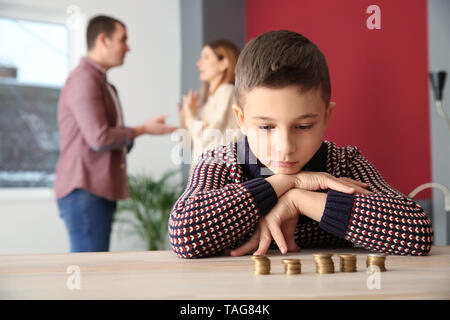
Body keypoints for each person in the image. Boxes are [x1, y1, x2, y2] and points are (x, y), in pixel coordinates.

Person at [169, 30, 434, 258]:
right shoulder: (221, 163)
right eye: (266, 127)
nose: (285, 147)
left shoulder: (343, 162)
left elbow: (416, 232)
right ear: (241, 119)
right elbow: (183, 234)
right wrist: (287, 182)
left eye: (303, 126)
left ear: (326, 116)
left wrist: (299, 200)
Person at [54, 15, 176, 252]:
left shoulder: (100, 81)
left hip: (92, 189)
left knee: (94, 268)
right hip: (84, 189)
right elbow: (99, 138)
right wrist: (143, 129)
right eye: (123, 39)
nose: (128, 47)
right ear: (103, 40)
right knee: (90, 271)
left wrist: (138, 133)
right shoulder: (84, 79)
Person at [178, 39, 242, 164]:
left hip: (216, 175)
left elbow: (207, 137)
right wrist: (185, 120)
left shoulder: (227, 92)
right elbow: (190, 145)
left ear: (223, 63)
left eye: (206, 57)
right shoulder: (212, 100)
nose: (199, 63)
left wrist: (190, 116)